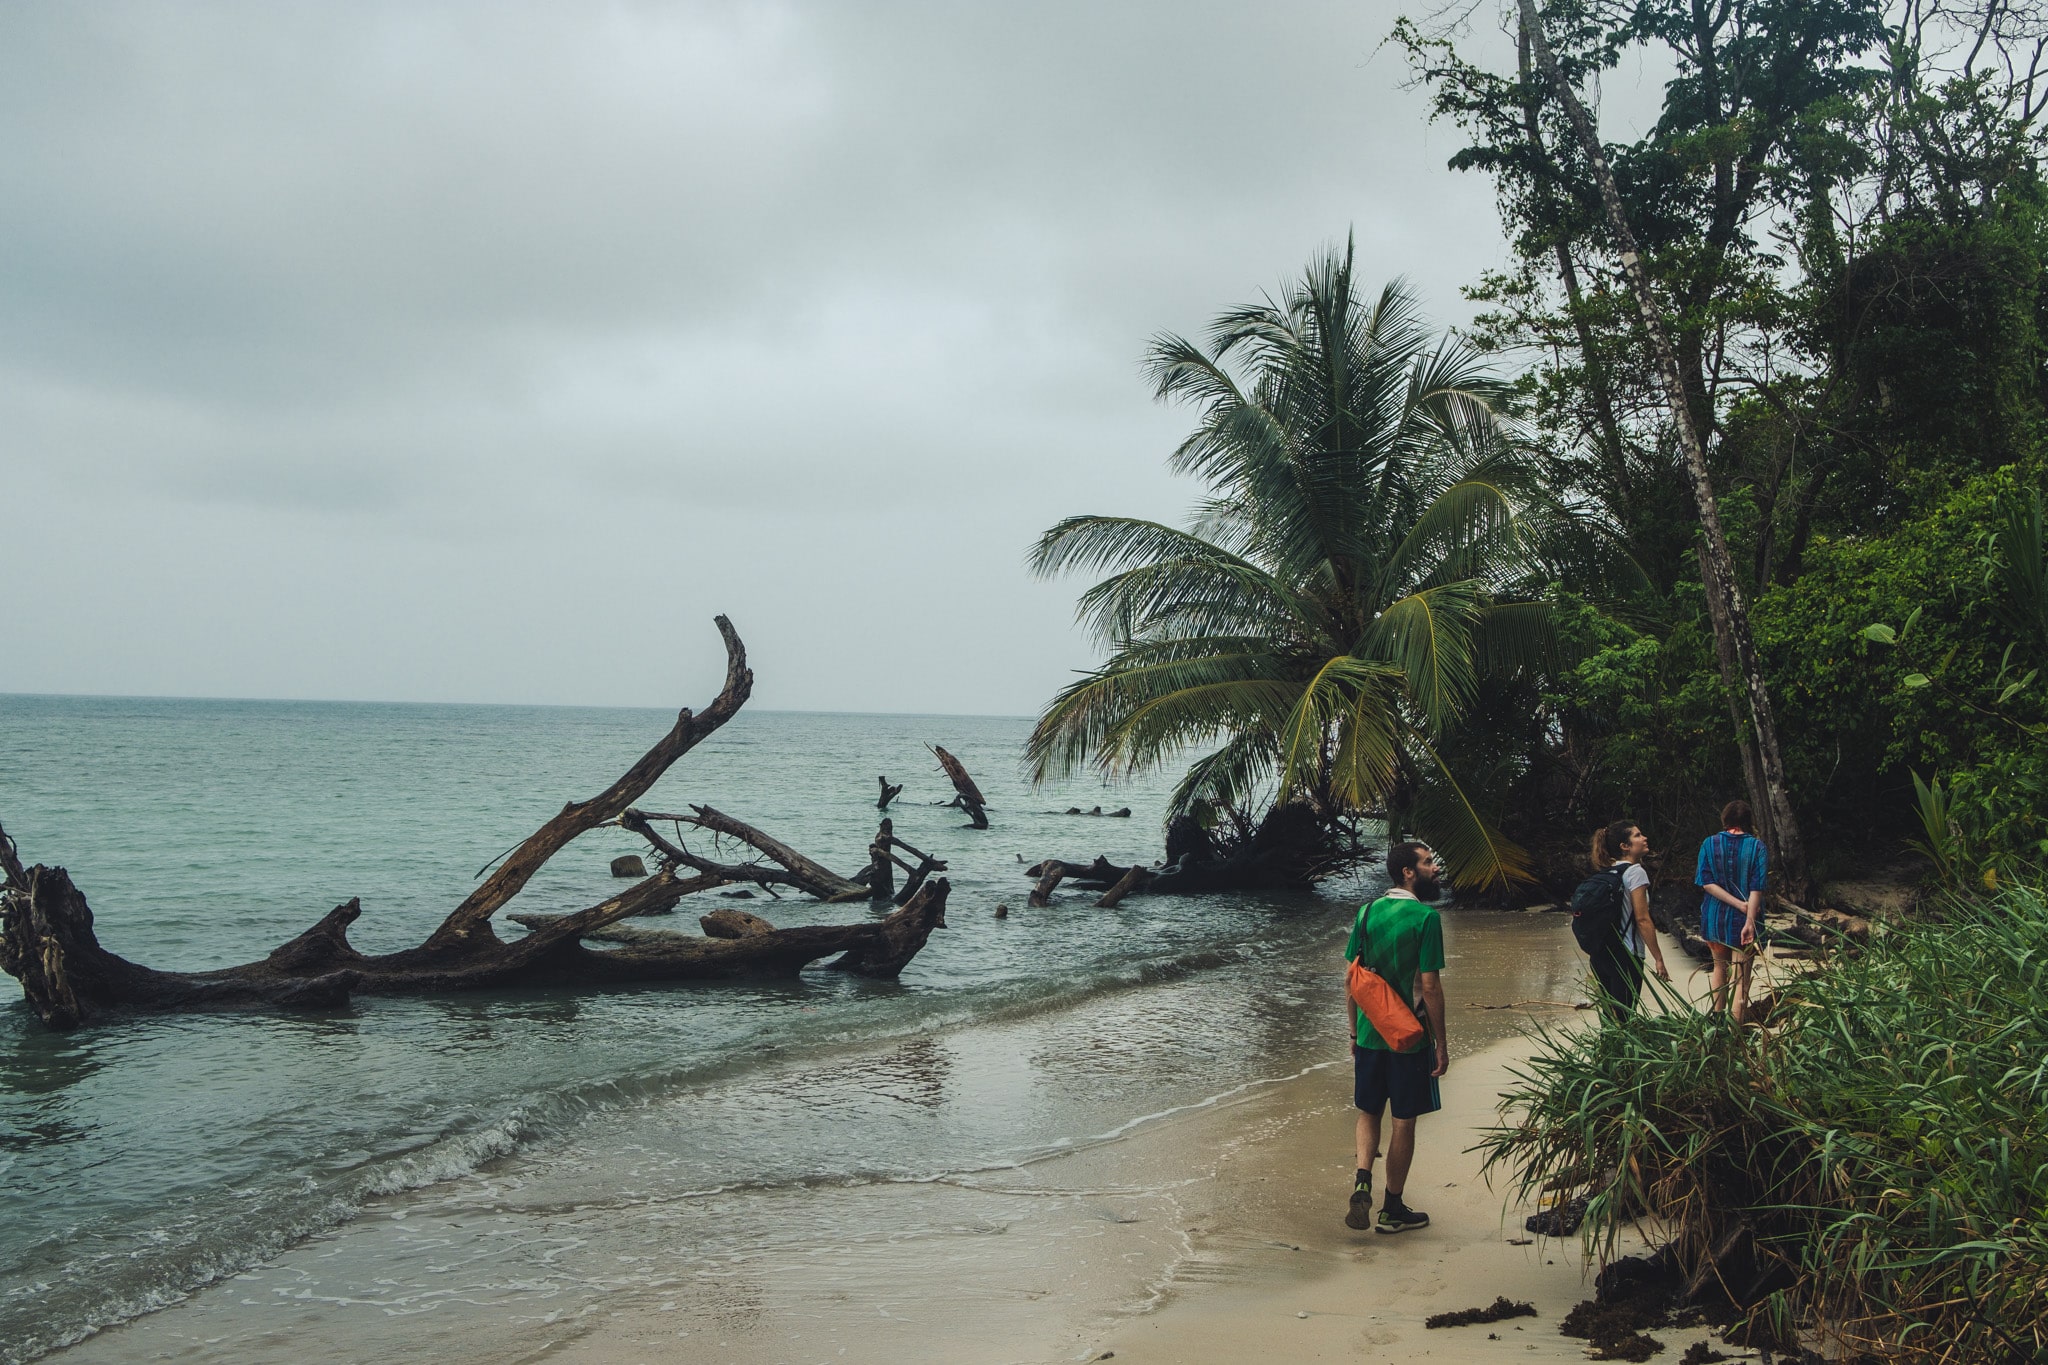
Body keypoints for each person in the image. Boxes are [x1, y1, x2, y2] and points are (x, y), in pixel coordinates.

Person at [1342, 842, 1448, 1235]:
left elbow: (1351, 980)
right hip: (1408, 1038)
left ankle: (1362, 1180)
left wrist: (1354, 1032)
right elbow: (1430, 987)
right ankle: (1391, 1210)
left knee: (1369, 1111)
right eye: (1428, 862)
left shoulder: (1366, 913)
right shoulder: (1425, 918)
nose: (1435, 868)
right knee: (1403, 1121)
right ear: (1408, 872)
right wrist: (1441, 1043)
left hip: (1370, 1034)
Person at [1586, 818, 1670, 1018]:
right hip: (1626, 955)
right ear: (1625, 846)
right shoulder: (1635, 872)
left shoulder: (1609, 871)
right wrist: (1658, 958)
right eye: (1637, 835)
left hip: (1601, 954)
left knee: (1609, 1018)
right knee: (1625, 1016)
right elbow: (1642, 920)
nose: (1644, 838)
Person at [1696, 800, 1768, 1022]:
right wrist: (1748, 918)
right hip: (1744, 919)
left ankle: (1717, 1024)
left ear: (1725, 819)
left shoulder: (1709, 843)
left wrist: (1736, 904)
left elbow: (1706, 883)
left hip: (1715, 918)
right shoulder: (1757, 847)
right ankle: (1735, 1031)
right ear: (1748, 821)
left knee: (1719, 968)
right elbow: (1757, 887)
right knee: (1740, 979)